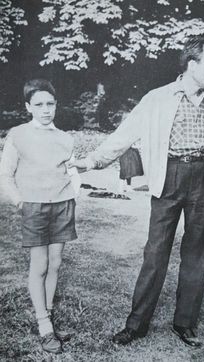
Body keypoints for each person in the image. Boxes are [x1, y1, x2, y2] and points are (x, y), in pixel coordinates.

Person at [70, 36, 204, 348]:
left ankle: (184, 323)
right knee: (155, 252)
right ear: (191, 65)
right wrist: (91, 161)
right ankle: (137, 325)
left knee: (198, 254)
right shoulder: (157, 99)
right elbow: (124, 135)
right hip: (168, 176)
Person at [0, 79, 81, 354]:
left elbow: (72, 171)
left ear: (56, 105)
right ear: (28, 107)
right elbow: (5, 174)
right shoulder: (18, 135)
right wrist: (20, 201)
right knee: (41, 264)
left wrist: (74, 192)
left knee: (56, 263)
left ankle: (47, 315)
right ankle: (44, 324)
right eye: (39, 105)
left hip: (62, 205)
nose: (45, 110)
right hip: (34, 206)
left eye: (50, 104)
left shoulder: (64, 138)